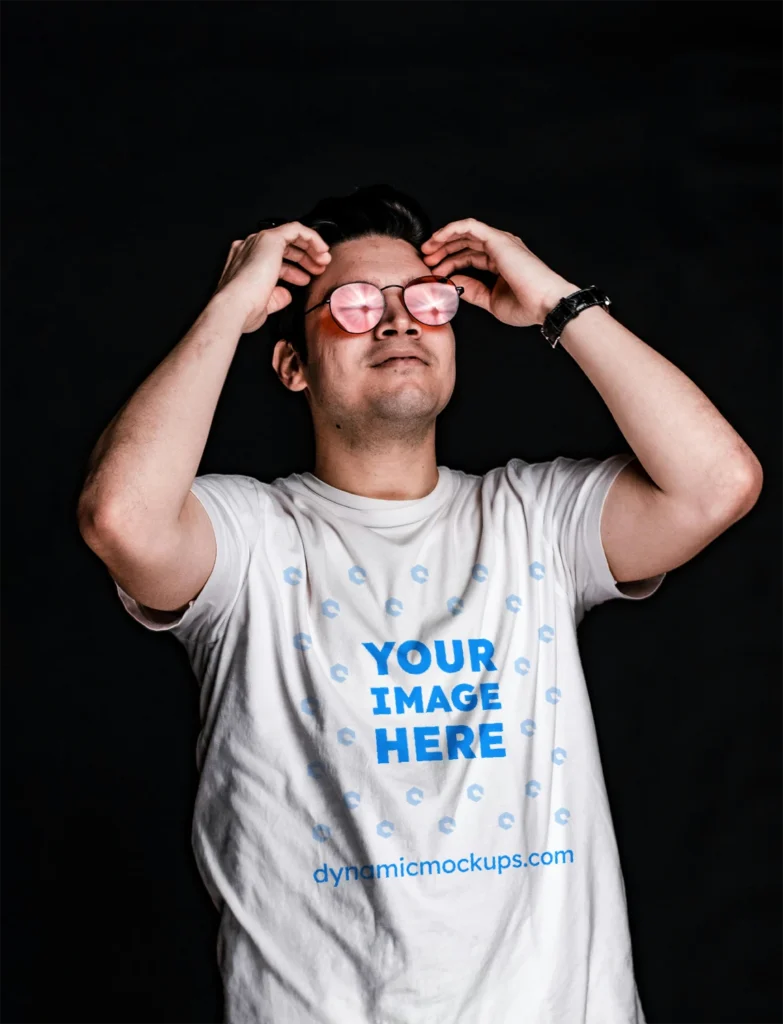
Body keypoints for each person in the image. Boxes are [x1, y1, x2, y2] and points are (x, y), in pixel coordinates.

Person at [77, 183, 763, 1023]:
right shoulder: (250, 540)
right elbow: (120, 519)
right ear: (290, 363)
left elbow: (717, 484)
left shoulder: (533, 520)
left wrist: (555, 299)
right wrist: (230, 306)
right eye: (355, 306)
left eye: (425, 302)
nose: (398, 321)